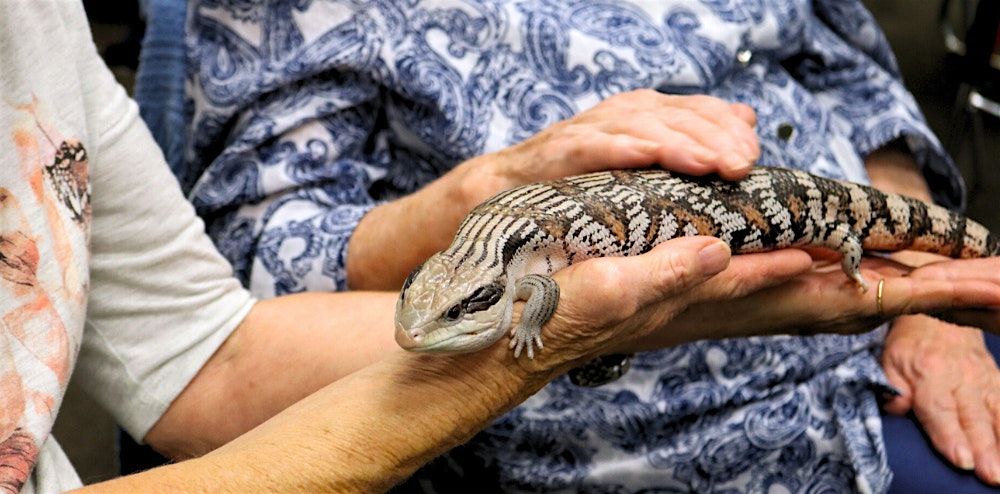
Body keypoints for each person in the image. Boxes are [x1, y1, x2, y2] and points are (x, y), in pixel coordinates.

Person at [9, 2, 1000, 492]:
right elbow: (248, 285)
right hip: (624, 448)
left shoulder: (40, 31)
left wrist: (920, 301)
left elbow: (857, 85)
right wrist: (484, 192)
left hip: (883, 329)